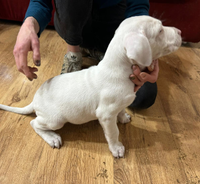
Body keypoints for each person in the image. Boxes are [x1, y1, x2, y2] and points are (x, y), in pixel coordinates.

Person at [13, 0, 159, 109]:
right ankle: (73, 53)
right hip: (74, 27)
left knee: (143, 96)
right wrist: (29, 23)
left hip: (113, 35)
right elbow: (41, 2)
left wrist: (143, 42)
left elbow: (137, 5)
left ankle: (104, 52)